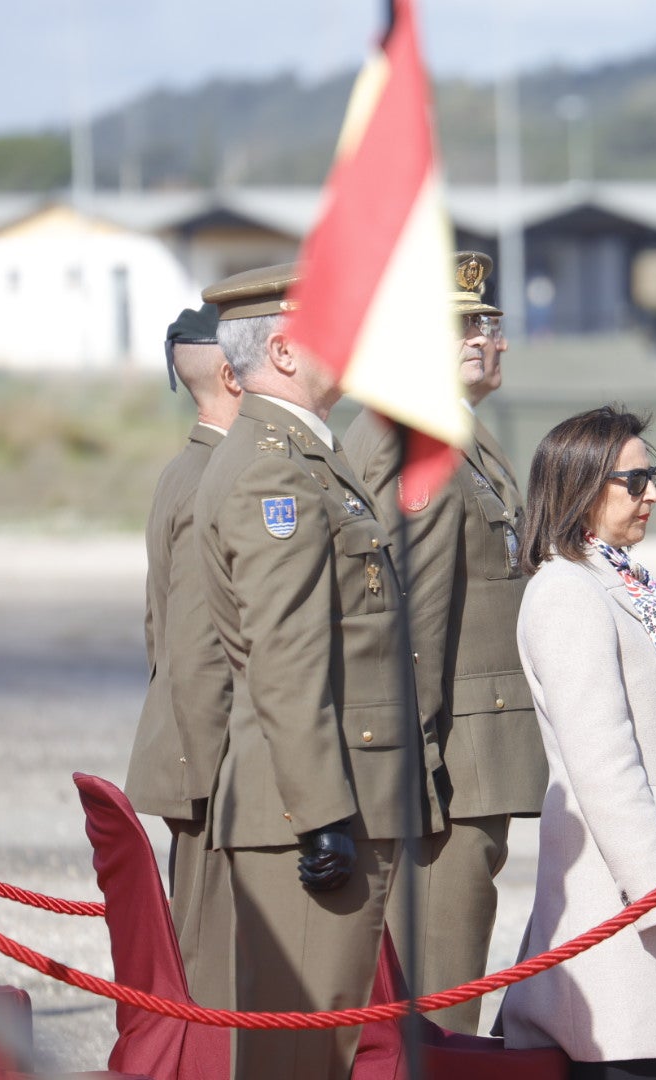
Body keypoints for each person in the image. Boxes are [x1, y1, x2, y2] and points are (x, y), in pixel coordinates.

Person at [193, 263, 419, 1080]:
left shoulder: (304, 455)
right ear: (286, 349)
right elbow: (285, 658)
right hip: (313, 811)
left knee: (316, 1050)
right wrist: (323, 814)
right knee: (303, 1057)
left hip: (335, 795)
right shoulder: (272, 470)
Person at [342, 251, 547, 1033]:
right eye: (456, 325)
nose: (479, 340)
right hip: (444, 764)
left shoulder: (454, 433)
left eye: (485, 321)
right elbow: (412, 621)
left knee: (443, 987)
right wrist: (412, 767)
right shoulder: (413, 439)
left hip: (467, 754)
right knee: (432, 1007)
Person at [500, 406, 656, 1080]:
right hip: (624, 883)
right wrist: (654, 887)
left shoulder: (624, 580)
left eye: (651, 476)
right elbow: (601, 757)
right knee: (632, 1055)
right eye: (635, 480)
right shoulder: (568, 592)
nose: (651, 492)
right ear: (583, 489)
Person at [122, 303, 239, 1006]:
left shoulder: (188, 468)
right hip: (215, 768)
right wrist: (217, 779)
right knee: (212, 968)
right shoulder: (214, 481)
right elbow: (197, 651)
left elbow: (153, 626)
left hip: (197, 754)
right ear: (232, 372)